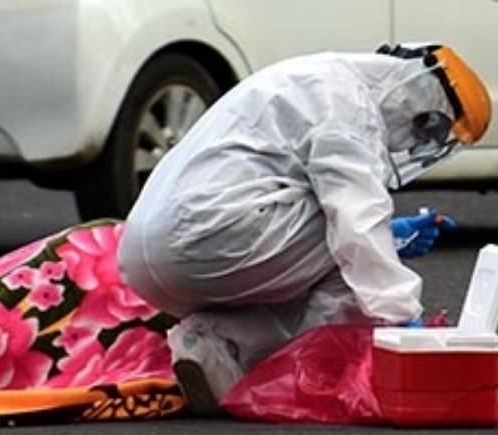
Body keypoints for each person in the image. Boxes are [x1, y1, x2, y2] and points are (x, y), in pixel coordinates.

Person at [117, 43, 492, 416]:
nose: (420, 142)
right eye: (430, 128)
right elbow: (355, 218)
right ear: (418, 96)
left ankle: (215, 344)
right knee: (354, 259)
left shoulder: (310, 78)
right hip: (211, 239)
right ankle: (312, 373)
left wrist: (391, 235)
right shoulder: (346, 101)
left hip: (149, 261)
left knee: (342, 245)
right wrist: (402, 318)